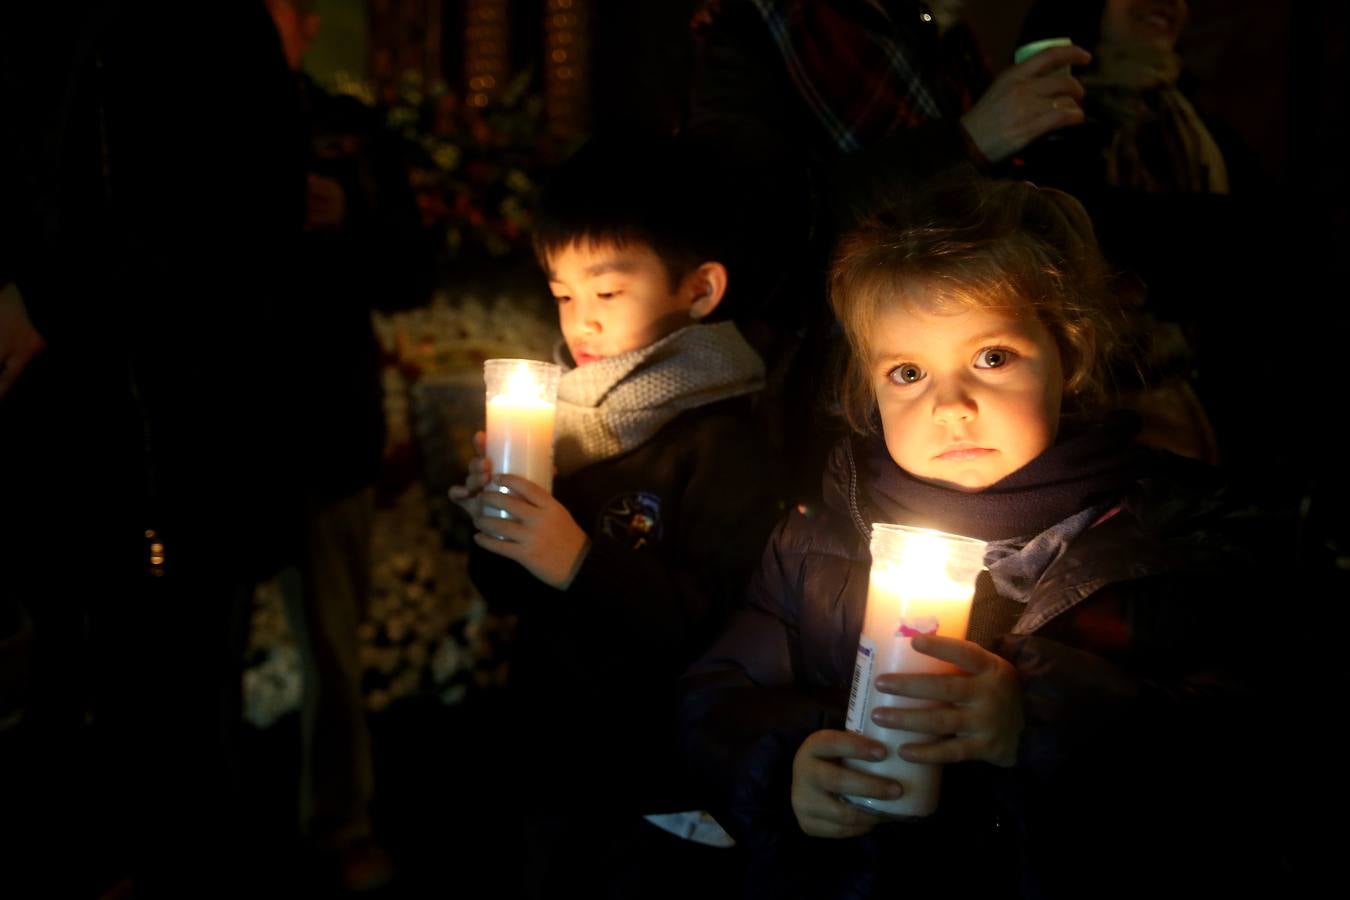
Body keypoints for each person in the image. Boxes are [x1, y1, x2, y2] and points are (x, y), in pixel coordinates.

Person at [679, 174, 1287, 899]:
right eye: (907, 372)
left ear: (1069, 351)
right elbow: (714, 701)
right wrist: (786, 766)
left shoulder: (1180, 539)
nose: (951, 406)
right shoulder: (822, 539)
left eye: (991, 358)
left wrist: (1040, 720)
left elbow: (1252, 751)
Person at [449, 135, 778, 898]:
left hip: (658, 779)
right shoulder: (557, 424)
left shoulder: (722, 440)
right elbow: (506, 592)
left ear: (697, 291)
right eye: (563, 295)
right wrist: (497, 522)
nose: (580, 323)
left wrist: (577, 561)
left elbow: (717, 628)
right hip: (553, 755)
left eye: (606, 293)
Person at [263, 0, 433, 890]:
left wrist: (349, 218)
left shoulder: (347, 132)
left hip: (326, 423)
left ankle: (339, 819)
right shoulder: (174, 127)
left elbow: (409, 270)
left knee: (334, 640)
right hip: (218, 425)